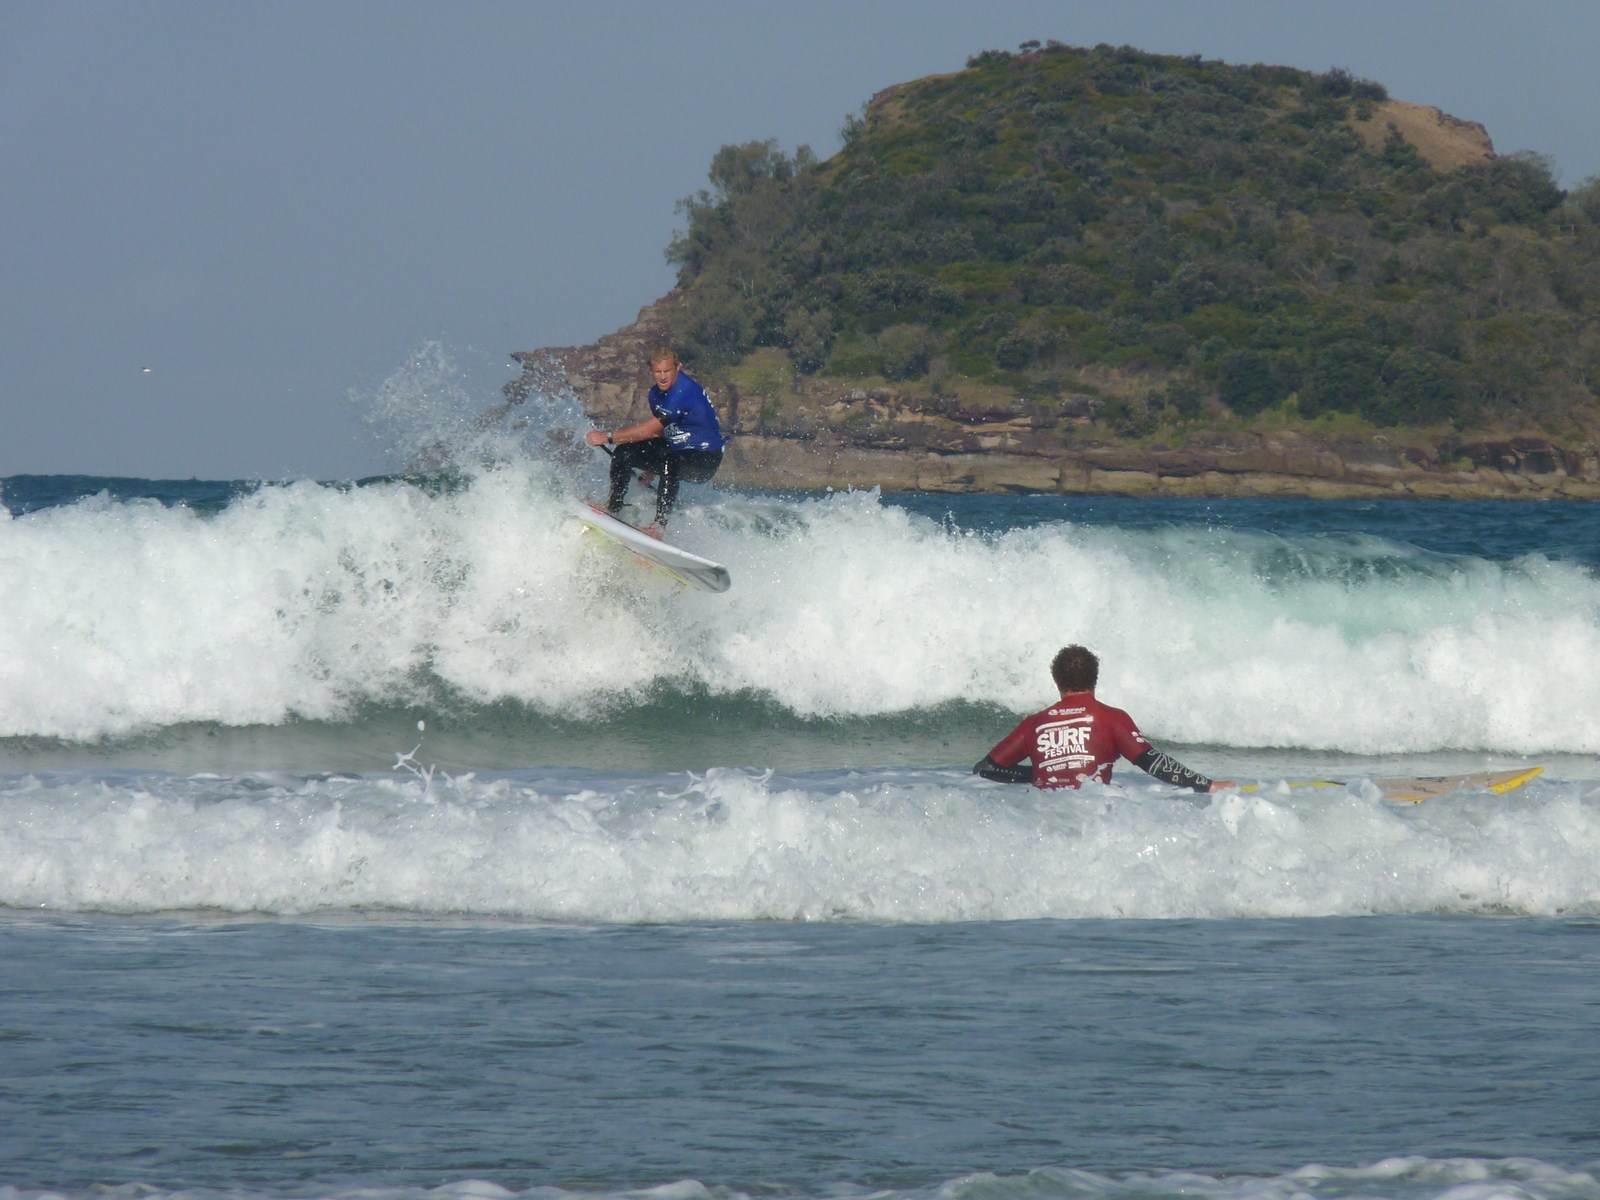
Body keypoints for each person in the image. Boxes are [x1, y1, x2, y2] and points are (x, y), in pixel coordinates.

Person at [974, 645, 1234, 792]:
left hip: (1044, 820)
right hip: (1093, 819)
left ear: (1056, 680)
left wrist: (1039, 774)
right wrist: (1208, 785)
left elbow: (987, 769)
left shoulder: (1034, 724)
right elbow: (1153, 763)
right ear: (1095, 678)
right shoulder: (1112, 719)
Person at [585, 346, 725, 534]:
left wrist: (607, 437)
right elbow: (661, 432)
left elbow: (649, 430)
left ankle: (658, 527)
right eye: (658, 372)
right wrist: (651, 467)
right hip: (677, 451)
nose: (663, 377)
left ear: (678, 367)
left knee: (669, 461)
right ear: (651, 371)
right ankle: (613, 507)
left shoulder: (684, 390)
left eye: (667, 371)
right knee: (624, 452)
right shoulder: (655, 395)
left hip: (705, 458)